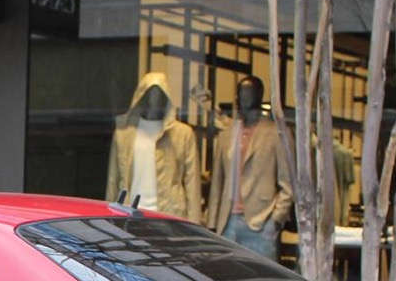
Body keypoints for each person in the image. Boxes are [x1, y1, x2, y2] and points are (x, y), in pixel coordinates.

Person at [207, 75, 292, 258]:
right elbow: (217, 183)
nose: (244, 97)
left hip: (260, 221)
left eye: (249, 92)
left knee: (262, 279)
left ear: (259, 96)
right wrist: (213, 221)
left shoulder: (275, 134)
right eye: (241, 93)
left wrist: (276, 219)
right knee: (227, 277)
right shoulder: (226, 136)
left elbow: (287, 182)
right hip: (227, 221)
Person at [106, 71, 202, 221]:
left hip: (169, 214)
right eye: (150, 93)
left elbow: (192, 184)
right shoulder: (123, 134)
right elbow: (113, 180)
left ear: (167, 97)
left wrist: (195, 225)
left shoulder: (183, 134)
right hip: (128, 214)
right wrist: (107, 218)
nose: (155, 99)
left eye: (160, 94)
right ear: (141, 96)